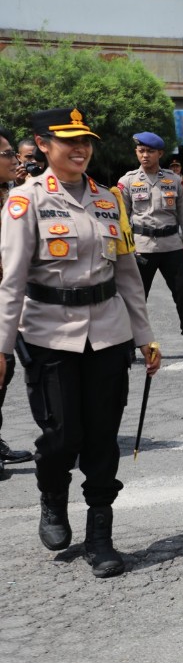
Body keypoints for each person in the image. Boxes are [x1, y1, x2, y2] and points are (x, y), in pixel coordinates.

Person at [0, 107, 161, 577]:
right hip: (49, 335)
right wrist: (3, 348)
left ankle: (100, 534)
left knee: (102, 439)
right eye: (67, 140)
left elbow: (128, 273)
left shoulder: (110, 200)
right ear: (43, 145)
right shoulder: (24, 202)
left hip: (108, 334)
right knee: (61, 436)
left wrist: (145, 337)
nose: (80, 148)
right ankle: (52, 497)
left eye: (85, 140)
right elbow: (11, 282)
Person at [117, 133, 183, 360]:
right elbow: (122, 218)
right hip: (141, 248)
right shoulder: (128, 181)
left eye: (149, 151)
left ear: (159, 153)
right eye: (141, 151)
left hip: (172, 246)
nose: (145, 155)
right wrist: (125, 251)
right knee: (135, 298)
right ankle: (128, 345)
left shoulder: (173, 180)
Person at [0, 128, 34, 476]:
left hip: (9, 299)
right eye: (8, 154)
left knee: (5, 372)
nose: (16, 161)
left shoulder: (10, 193)